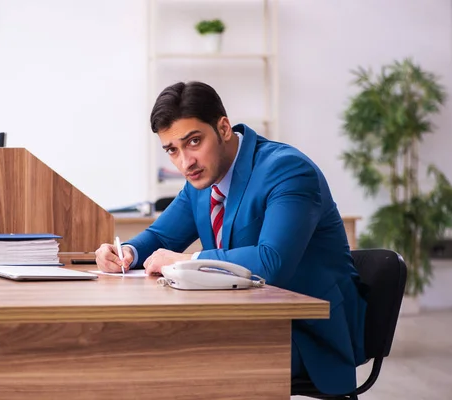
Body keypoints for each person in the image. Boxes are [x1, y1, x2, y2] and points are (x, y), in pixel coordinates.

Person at [95, 81, 367, 395]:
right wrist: (125, 252)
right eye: (172, 150)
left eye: (194, 141)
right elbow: (159, 236)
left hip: (306, 332)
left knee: (172, 356)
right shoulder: (201, 180)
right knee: (144, 345)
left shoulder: (288, 170)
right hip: (243, 319)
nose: (185, 162)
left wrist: (190, 261)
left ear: (223, 128)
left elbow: (271, 262)